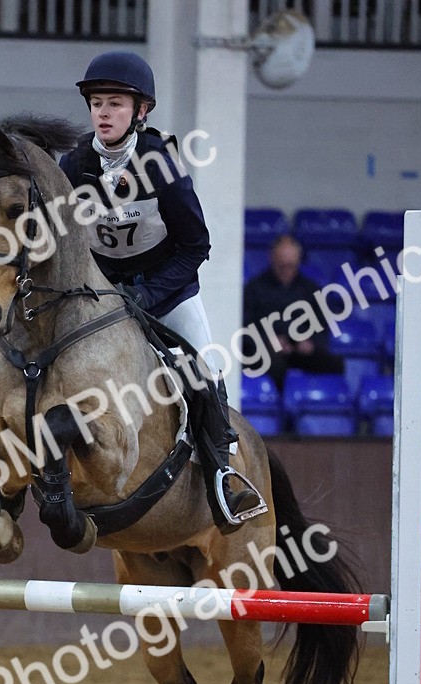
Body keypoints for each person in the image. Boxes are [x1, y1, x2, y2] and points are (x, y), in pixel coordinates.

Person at [59, 50, 264, 531]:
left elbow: (196, 245)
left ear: (141, 110)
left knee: (203, 369)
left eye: (115, 103)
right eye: (97, 103)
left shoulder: (162, 165)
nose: (103, 113)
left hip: (166, 294)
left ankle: (222, 476)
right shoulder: (74, 164)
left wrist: (149, 296)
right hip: (102, 295)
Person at [243, 235, 344, 392]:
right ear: (272, 259)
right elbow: (245, 328)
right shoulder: (254, 289)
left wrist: (311, 344)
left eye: (291, 266)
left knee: (335, 364)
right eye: (282, 265)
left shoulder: (310, 289)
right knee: (274, 365)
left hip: (300, 350)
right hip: (267, 351)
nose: (286, 270)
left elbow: (322, 325)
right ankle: (280, 404)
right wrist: (268, 341)